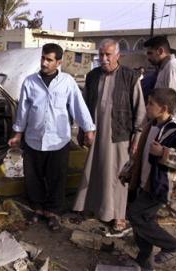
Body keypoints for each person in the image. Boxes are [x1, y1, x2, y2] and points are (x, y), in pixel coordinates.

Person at [8, 43, 95, 231]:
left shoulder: (67, 82)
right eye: (43, 58)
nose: (44, 63)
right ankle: (38, 209)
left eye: (49, 60)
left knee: (57, 178)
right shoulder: (30, 82)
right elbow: (23, 111)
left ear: (59, 62)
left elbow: (78, 106)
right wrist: (17, 134)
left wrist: (88, 129)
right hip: (33, 139)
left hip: (58, 140)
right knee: (34, 177)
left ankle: (53, 213)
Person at [72, 39, 146, 237]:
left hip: (119, 133)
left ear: (118, 55)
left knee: (118, 175)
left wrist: (137, 137)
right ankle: (93, 207)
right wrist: (82, 130)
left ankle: (119, 216)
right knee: (95, 169)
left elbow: (140, 110)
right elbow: (85, 106)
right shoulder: (92, 76)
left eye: (108, 55)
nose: (104, 59)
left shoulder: (131, 77)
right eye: (101, 55)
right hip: (95, 132)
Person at [125, 88, 176, 271]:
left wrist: (164, 153)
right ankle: (144, 259)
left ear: (163, 108)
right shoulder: (151, 125)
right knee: (143, 219)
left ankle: (174, 246)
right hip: (143, 181)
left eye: (150, 104)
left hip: (160, 187)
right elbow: (139, 154)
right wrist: (128, 172)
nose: (147, 107)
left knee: (136, 214)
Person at [144, 36, 176, 226]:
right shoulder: (165, 68)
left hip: (174, 130)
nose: (148, 57)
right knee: (165, 171)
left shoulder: (173, 67)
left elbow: (174, 102)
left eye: (150, 53)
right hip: (167, 127)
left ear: (160, 51)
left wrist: (167, 127)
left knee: (174, 172)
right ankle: (168, 207)